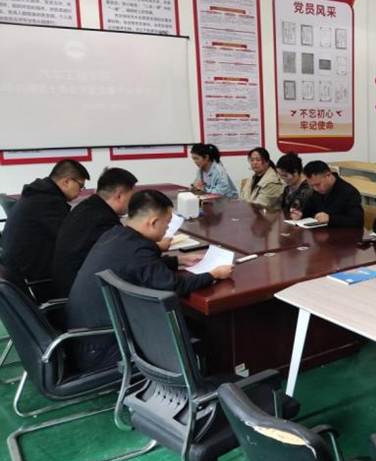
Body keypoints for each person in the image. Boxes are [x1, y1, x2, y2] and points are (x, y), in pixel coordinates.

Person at [65, 190, 233, 372]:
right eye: (167, 224)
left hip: (83, 340)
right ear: (153, 222)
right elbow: (174, 286)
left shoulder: (116, 234)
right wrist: (213, 274)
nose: (167, 230)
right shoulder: (139, 250)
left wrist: (178, 260)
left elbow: (138, 267)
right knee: (194, 330)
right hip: (103, 350)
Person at [2, 159, 90, 295]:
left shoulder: (39, 194)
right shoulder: (48, 203)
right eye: (81, 186)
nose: (81, 191)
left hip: (21, 272)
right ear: (66, 181)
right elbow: (71, 239)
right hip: (36, 280)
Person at [51, 167, 138, 298]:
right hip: (81, 296)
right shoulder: (103, 220)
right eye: (132, 196)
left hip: (70, 287)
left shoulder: (87, 208)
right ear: (120, 195)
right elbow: (127, 259)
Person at [290, 161, 363, 228]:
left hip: (343, 235)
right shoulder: (317, 190)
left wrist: (330, 218)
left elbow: (357, 221)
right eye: (312, 186)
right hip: (321, 233)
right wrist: (300, 214)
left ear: (328, 175)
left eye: (318, 184)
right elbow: (309, 209)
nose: (315, 189)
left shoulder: (349, 192)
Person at [276, 151, 314, 216]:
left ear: (295, 172)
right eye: (280, 175)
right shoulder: (288, 187)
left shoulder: (307, 188)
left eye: (285, 175)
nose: (282, 179)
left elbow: (295, 209)